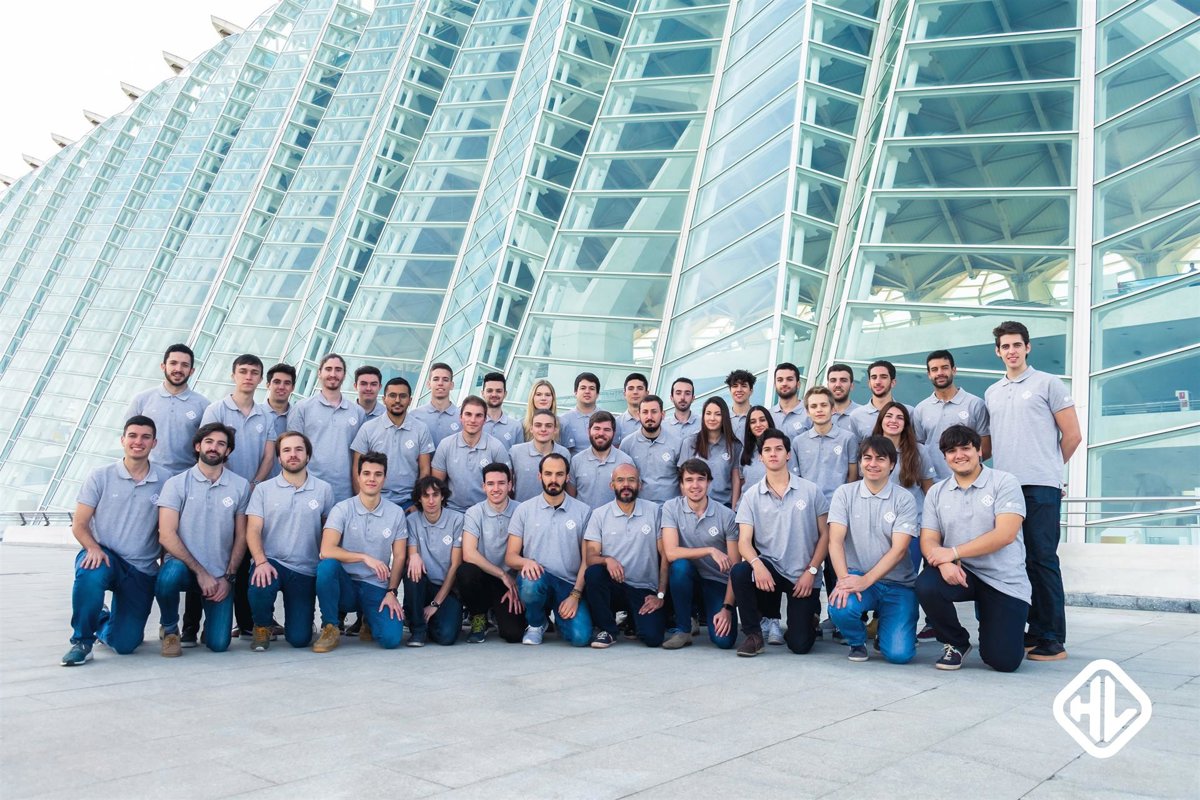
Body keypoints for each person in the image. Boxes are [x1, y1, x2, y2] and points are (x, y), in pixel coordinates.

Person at [985, 320, 1080, 662]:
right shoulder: (992, 392)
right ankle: (1035, 630)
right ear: (998, 352)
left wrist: (1051, 471)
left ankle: (1053, 638)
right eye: (1005, 346)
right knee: (1018, 561)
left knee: (1042, 559)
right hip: (1006, 488)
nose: (1011, 351)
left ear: (1028, 347)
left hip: (1040, 487)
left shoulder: (1048, 383)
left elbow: (1073, 435)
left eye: (1017, 345)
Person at [916, 425, 1030, 672]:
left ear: (979, 451)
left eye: (965, 448)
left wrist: (953, 553)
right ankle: (956, 642)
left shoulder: (1005, 482)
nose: (959, 455)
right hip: (962, 574)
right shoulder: (936, 492)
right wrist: (944, 562)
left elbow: (1005, 534)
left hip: (1003, 579)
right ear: (945, 457)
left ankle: (1002, 627)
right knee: (927, 584)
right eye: (951, 451)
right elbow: (928, 540)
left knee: (1003, 661)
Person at [61, 416, 172, 665]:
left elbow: (168, 529)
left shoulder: (166, 481)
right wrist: (92, 548)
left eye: (145, 437)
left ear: (154, 443)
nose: (138, 442)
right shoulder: (100, 476)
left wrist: (165, 563)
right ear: (123, 440)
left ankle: (102, 619)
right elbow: (79, 524)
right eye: (132, 436)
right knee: (90, 571)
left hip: (141, 568)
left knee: (125, 644)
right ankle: (82, 641)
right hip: (105, 556)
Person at [730, 429, 829, 657]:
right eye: (767, 450)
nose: (773, 454)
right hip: (771, 571)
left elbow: (826, 535)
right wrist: (757, 565)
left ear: (788, 454)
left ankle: (809, 618)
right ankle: (754, 636)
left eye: (778, 449)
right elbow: (743, 541)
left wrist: (812, 571)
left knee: (799, 645)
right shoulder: (751, 496)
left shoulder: (810, 491)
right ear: (761, 457)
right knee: (740, 572)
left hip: (803, 575)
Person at [154, 422, 251, 656]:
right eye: (208, 442)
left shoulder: (240, 486)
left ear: (228, 451)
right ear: (198, 446)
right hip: (184, 568)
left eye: (221, 444)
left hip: (219, 574)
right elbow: (166, 534)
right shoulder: (176, 484)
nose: (214, 448)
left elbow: (241, 536)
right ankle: (170, 630)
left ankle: (211, 624)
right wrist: (200, 572)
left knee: (219, 644)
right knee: (168, 577)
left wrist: (228, 577)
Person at [201, 353, 278, 638]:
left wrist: (256, 482)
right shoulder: (216, 410)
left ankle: (248, 622)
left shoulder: (265, 415)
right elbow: (210, 451)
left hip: (254, 494)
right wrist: (230, 484)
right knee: (219, 551)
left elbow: (269, 455)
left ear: (260, 379)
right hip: (223, 493)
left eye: (254, 372)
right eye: (243, 371)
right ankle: (203, 621)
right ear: (233, 375)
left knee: (248, 555)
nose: (248, 377)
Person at [826, 436, 920, 664]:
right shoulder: (844, 494)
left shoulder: (904, 499)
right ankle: (856, 641)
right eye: (867, 458)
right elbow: (835, 541)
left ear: (892, 464)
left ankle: (885, 632)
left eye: (880, 459)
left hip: (898, 584)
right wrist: (844, 580)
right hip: (857, 574)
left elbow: (899, 550)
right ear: (860, 463)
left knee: (899, 655)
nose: (873, 464)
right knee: (840, 604)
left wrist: (866, 581)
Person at [245, 431, 335, 651]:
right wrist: (260, 561)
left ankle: (302, 623)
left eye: (298, 450)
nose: (292, 455)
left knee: (299, 639)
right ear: (279, 457)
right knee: (260, 582)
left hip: (305, 569)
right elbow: (253, 530)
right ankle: (262, 626)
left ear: (308, 455)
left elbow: (329, 531)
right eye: (286, 450)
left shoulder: (323, 489)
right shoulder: (264, 490)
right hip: (272, 562)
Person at [312, 452, 407, 652]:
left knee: (391, 639)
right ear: (358, 476)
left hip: (375, 585)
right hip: (346, 585)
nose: (372, 479)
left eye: (378, 474)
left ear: (385, 478)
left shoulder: (396, 513)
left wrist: (392, 591)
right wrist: (364, 557)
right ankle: (330, 627)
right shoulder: (342, 509)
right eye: (366, 473)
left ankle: (369, 619)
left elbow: (399, 556)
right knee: (327, 566)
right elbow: (326, 550)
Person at [505, 453, 593, 646]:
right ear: (540, 476)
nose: (553, 479)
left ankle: (562, 620)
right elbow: (510, 557)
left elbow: (587, 560)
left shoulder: (583, 511)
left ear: (567, 477)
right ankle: (536, 624)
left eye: (559, 474)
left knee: (581, 638)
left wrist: (575, 595)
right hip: (538, 579)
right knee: (530, 583)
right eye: (548, 474)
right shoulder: (524, 510)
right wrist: (526, 562)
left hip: (568, 585)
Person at [583, 464, 667, 648]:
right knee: (594, 573)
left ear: (640, 484)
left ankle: (633, 621)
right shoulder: (599, 515)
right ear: (612, 485)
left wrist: (660, 595)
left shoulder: (655, 511)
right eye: (620, 480)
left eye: (631, 480)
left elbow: (665, 556)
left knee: (653, 638)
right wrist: (607, 560)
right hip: (614, 587)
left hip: (644, 589)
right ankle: (608, 630)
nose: (626, 485)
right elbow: (590, 557)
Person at [874, 400, 938, 641]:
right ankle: (880, 623)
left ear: (906, 424)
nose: (893, 421)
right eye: (888, 416)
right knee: (881, 575)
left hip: (912, 527)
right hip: (878, 526)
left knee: (905, 580)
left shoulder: (918, 451)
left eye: (899, 417)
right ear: (881, 420)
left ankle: (903, 626)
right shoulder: (871, 448)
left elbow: (929, 490)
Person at [661, 459, 739, 650]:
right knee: (679, 567)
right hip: (689, 577)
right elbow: (671, 553)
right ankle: (683, 630)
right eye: (689, 480)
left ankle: (710, 612)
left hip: (716, 580)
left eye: (700, 479)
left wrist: (727, 608)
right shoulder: (671, 508)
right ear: (681, 485)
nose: (695, 485)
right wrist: (710, 550)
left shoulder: (726, 515)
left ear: (709, 482)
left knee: (724, 641)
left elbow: (735, 567)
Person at [459, 463, 526, 643]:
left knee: (514, 634)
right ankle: (478, 616)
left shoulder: (522, 510)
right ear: (483, 486)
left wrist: (518, 583)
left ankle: (497, 613)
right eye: (490, 484)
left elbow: (530, 550)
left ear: (510, 485)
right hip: (483, 576)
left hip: (510, 582)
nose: (496, 489)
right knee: (465, 572)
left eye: (501, 483)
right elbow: (468, 553)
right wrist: (502, 574)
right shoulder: (474, 512)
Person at [125, 344, 210, 477]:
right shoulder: (142, 399)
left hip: (184, 478)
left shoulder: (204, 405)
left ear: (192, 371)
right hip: (145, 475)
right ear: (163, 366)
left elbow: (207, 446)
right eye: (173, 363)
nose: (178, 369)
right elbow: (128, 438)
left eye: (184, 365)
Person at [289, 353, 364, 501]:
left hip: (344, 491)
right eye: (328, 369)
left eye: (338, 370)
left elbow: (360, 456)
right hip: (308, 487)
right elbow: (292, 450)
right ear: (319, 373)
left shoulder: (358, 412)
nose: (333, 374)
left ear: (344, 375)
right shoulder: (302, 408)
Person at [351, 377, 433, 509]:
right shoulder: (368, 428)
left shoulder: (421, 429)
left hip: (409, 502)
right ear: (384, 399)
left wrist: (417, 503)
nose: (397, 400)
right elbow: (356, 469)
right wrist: (364, 502)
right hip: (375, 500)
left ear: (410, 400)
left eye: (403, 396)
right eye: (392, 395)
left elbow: (425, 470)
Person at [404, 476, 464, 646]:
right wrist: (414, 556)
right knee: (411, 569)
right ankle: (418, 630)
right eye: (426, 495)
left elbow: (455, 565)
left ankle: (416, 615)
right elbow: (412, 556)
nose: (431, 501)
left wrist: (435, 604)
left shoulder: (457, 520)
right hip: (422, 585)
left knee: (446, 637)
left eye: (435, 495)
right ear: (419, 498)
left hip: (447, 588)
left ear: (442, 496)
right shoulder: (412, 521)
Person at [913, 350, 990, 479]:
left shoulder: (975, 404)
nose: (940, 373)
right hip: (934, 483)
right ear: (929, 374)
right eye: (934, 369)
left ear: (954, 370)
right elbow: (919, 449)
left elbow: (986, 448)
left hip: (970, 481)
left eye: (944, 368)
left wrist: (965, 467)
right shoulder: (920, 409)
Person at [431, 395, 511, 512]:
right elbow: (436, 485)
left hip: (486, 512)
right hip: (452, 510)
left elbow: (506, 486)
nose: (473, 420)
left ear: (485, 419)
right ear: (460, 417)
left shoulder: (496, 447)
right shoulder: (446, 445)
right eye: (468, 414)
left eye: (478, 415)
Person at [789, 386, 858, 501]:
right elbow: (795, 477)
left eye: (824, 405)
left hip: (838, 504)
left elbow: (853, 477)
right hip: (808, 503)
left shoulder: (848, 439)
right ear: (807, 412)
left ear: (833, 409)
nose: (819, 410)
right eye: (813, 406)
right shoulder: (798, 442)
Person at [680, 397, 743, 507]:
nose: (712, 418)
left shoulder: (734, 445)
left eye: (717, 414)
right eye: (708, 413)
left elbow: (736, 480)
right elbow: (682, 479)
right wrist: (689, 507)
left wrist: (733, 509)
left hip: (724, 506)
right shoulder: (690, 442)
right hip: (696, 506)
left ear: (724, 417)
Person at [619, 395, 682, 504]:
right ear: (638, 415)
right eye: (645, 412)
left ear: (663, 414)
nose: (649, 416)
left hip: (670, 507)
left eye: (654, 412)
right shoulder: (627, 444)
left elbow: (685, 479)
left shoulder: (677, 443)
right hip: (639, 507)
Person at [568, 410, 634, 509]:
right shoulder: (576, 461)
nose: (601, 433)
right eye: (597, 428)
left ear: (614, 433)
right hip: (583, 518)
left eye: (607, 429)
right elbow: (571, 498)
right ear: (588, 431)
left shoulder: (626, 462)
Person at [510, 409, 570, 502]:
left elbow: (567, 486)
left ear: (555, 429)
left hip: (554, 508)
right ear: (531, 429)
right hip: (521, 508)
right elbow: (508, 485)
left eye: (548, 426)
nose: (543, 429)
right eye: (538, 425)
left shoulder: (564, 453)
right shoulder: (516, 452)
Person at [849, 360, 913, 439]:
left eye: (883, 377)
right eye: (874, 377)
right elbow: (856, 446)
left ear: (893, 383)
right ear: (869, 383)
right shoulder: (857, 415)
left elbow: (913, 442)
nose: (878, 382)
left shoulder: (909, 412)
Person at [410, 362, 460, 447]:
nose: (440, 383)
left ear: (452, 385)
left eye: (445, 380)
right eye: (436, 379)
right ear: (428, 384)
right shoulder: (414, 416)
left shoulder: (462, 417)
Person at [264, 363, 296, 479]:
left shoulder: (299, 418)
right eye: (277, 382)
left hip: (288, 483)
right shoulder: (255, 414)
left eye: (287, 383)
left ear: (293, 388)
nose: (281, 387)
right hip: (254, 483)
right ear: (268, 385)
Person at [558, 372, 601, 457]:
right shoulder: (563, 420)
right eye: (583, 388)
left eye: (592, 388)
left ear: (597, 394)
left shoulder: (608, 419)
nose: (587, 391)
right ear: (575, 392)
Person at [481, 371, 524, 447]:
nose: (494, 394)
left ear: (505, 394)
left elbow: (519, 453)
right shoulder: (473, 423)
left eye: (498, 391)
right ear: (482, 393)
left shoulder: (516, 426)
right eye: (490, 391)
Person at [738, 406, 775, 491]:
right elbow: (742, 481)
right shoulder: (745, 451)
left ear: (769, 422)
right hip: (746, 498)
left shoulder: (780, 448)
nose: (758, 425)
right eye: (753, 422)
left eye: (762, 420)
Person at [771, 362, 809, 438]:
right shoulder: (768, 415)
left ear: (798, 384)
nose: (784, 383)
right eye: (780, 380)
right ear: (775, 385)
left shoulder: (810, 412)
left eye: (789, 379)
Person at [825, 363, 860, 434]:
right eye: (833, 380)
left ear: (851, 386)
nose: (838, 385)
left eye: (843, 380)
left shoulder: (863, 414)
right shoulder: (818, 413)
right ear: (828, 386)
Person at [615, 372, 649, 443]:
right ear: (624, 394)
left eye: (640, 388)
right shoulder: (616, 423)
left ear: (647, 393)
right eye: (631, 388)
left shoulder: (656, 422)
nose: (635, 392)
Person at [725, 369, 756, 443]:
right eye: (735, 386)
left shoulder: (759, 418)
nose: (739, 390)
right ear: (730, 390)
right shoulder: (723, 418)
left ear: (751, 391)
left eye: (744, 386)